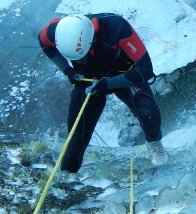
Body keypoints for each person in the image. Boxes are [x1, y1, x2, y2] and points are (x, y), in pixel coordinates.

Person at [38, 13, 167, 171]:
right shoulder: (58, 30)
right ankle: (69, 175)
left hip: (124, 74)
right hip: (88, 79)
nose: (79, 58)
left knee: (148, 112)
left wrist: (108, 84)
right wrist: (68, 71)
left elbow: (145, 70)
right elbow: (43, 42)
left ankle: (155, 146)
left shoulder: (117, 28)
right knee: (76, 136)